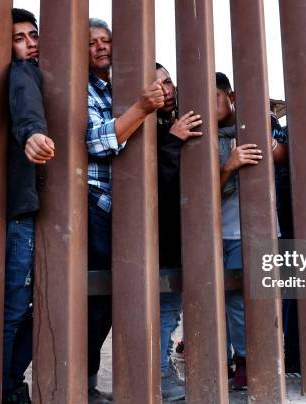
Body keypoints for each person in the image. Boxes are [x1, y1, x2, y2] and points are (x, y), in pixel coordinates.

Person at [85, 18, 165, 403]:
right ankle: (81, 383)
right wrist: (140, 108)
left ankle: (95, 382)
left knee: (113, 300)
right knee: (93, 299)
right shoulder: (81, 88)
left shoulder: (118, 89)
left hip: (125, 210)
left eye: (106, 40)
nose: (101, 47)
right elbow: (96, 141)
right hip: (93, 205)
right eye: (92, 43)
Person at [215, 72, 287, 389]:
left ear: (230, 96)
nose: (207, 104)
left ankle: (257, 359)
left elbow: (284, 155)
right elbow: (202, 194)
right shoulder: (200, 134)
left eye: (214, 96)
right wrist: (228, 165)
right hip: (218, 231)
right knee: (228, 300)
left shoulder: (260, 122)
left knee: (254, 298)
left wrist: (270, 145)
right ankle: (239, 360)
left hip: (256, 230)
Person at [1, 8, 57, 404]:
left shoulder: (39, 74)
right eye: (19, 37)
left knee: (30, 306)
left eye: (33, 34)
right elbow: (27, 112)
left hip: (28, 209)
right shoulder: (21, 73)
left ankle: (6, 382)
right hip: (18, 211)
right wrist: (34, 135)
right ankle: (1, 387)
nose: (31, 42)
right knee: (16, 308)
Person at [155, 62, 203, 400]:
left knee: (171, 308)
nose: (167, 88)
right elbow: (156, 182)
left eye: (169, 80)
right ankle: (158, 376)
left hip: (184, 231)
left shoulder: (177, 121)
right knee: (165, 308)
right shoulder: (153, 129)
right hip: (159, 233)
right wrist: (172, 142)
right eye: (157, 84)